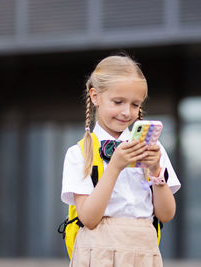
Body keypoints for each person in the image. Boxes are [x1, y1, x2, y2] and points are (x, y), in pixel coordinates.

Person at [61, 54, 181, 267]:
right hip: (97, 253)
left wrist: (155, 171)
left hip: (144, 249)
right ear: (95, 96)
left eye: (135, 104)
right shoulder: (79, 153)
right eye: (118, 102)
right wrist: (115, 166)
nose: (127, 112)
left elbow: (166, 214)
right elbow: (89, 218)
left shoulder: (153, 149)